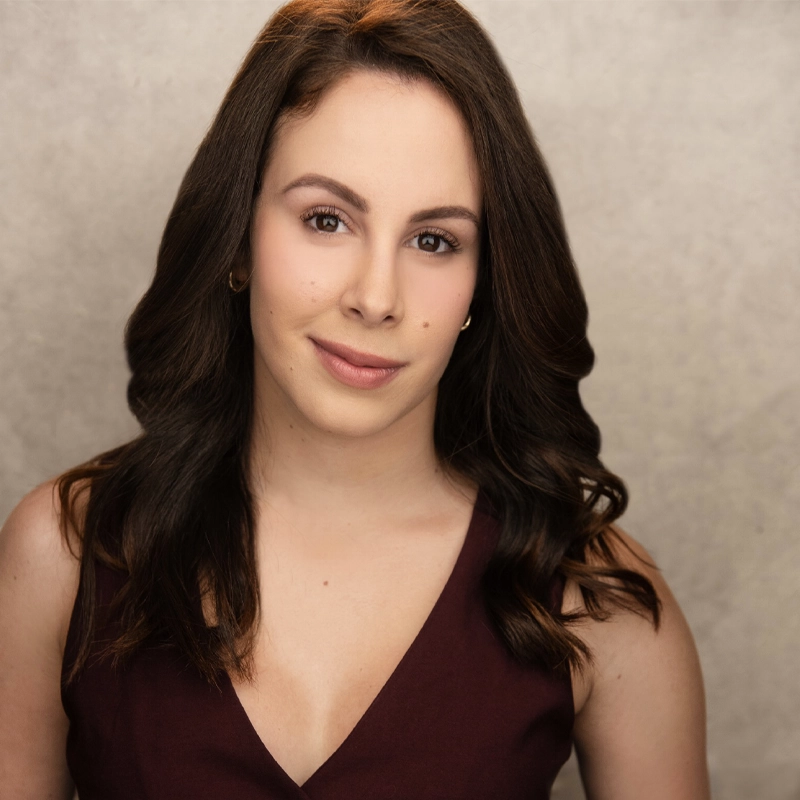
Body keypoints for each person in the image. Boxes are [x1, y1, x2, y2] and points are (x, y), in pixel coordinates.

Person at [0, 0, 710, 797]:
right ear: (239, 239)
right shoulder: (62, 557)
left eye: (434, 240)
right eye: (327, 219)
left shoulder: (593, 596)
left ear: (483, 283)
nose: (376, 297)